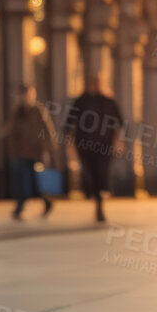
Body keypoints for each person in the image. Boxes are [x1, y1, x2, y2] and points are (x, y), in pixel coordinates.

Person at [65, 74, 123, 223]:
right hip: (84, 145)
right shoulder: (81, 101)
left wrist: (118, 142)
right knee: (90, 172)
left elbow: (119, 124)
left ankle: (99, 202)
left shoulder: (109, 102)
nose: (96, 86)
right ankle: (96, 197)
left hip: (104, 146)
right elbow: (69, 122)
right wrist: (69, 144)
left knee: (101, 172)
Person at [6, 83, 55, 221]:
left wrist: (49, 150)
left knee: (34, 181)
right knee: (22, 180)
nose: (25, 98)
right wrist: (12, 149)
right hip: (20, 152)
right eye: (23, 95)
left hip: (35, 152)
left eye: (27, 95)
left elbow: (47, 131)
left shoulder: (38, 110)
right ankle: (20, 206)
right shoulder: (17, 112)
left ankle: (46, 201)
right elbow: (12, 131)